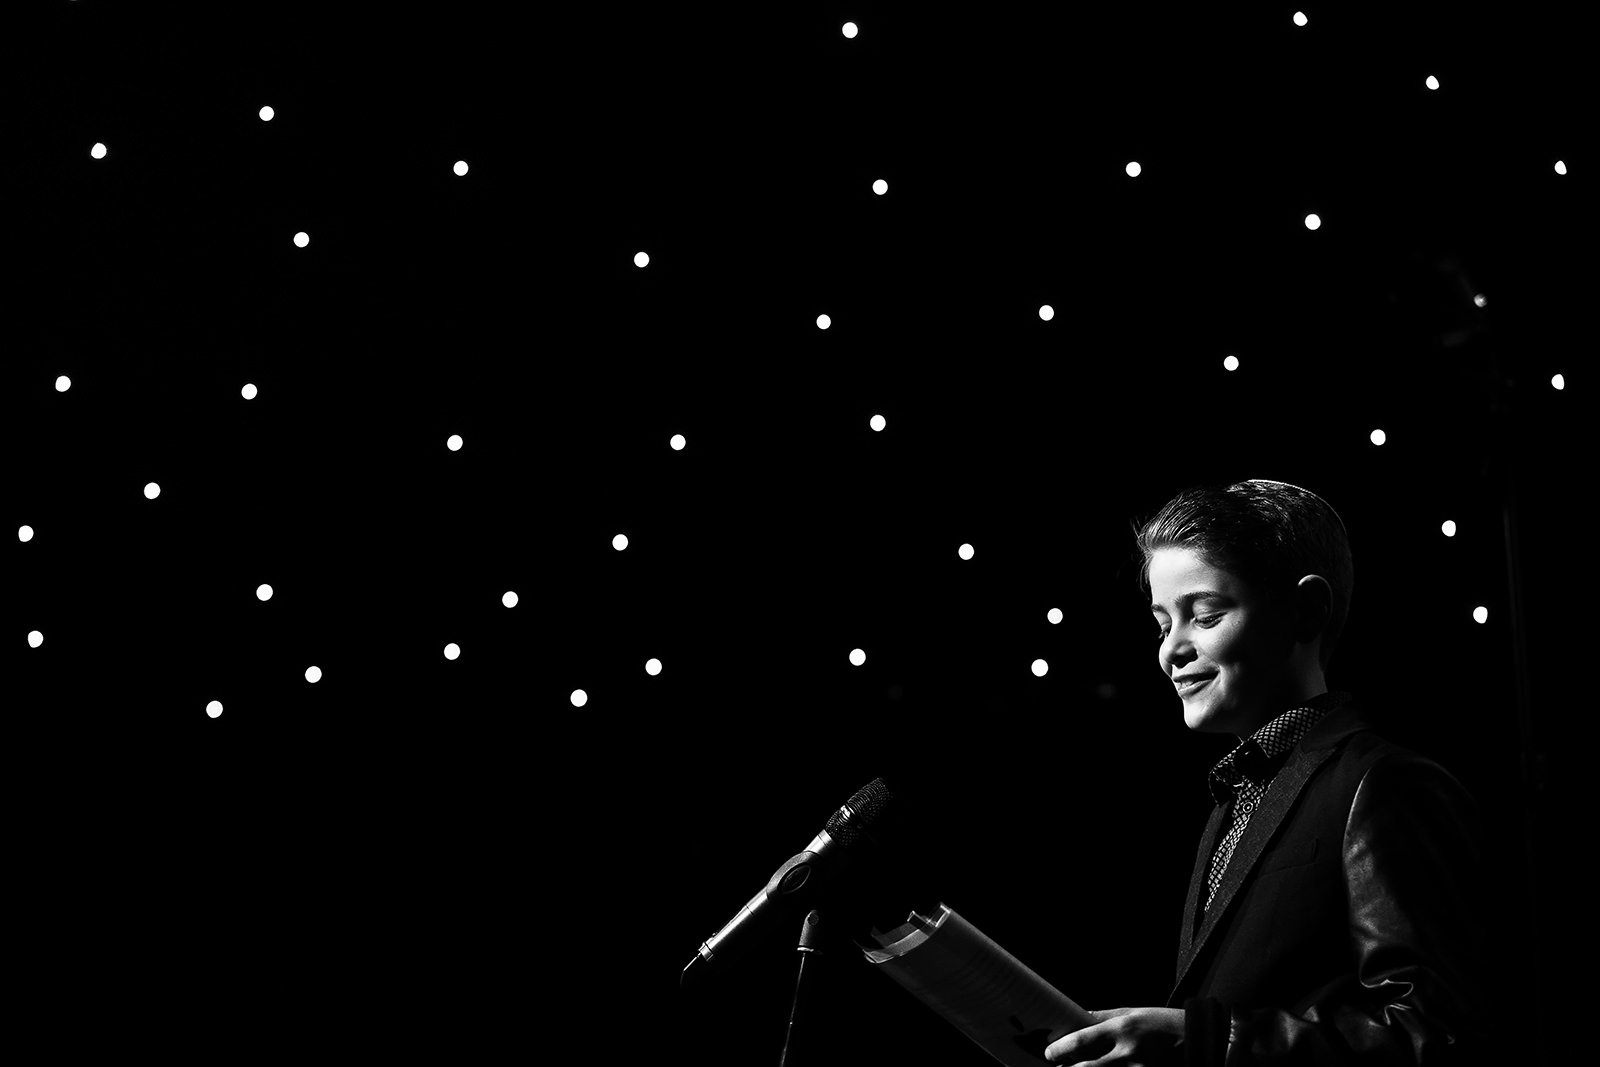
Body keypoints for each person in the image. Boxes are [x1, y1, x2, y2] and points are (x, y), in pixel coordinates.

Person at [1044, 479, 1487, 1066]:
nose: (1170, 649)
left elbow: (1433, 1035)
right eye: (1160, 623)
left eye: (1204, 615)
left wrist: (1199, 1038)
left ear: (1307, 611)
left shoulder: (1384, 785)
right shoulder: (1235, 798)